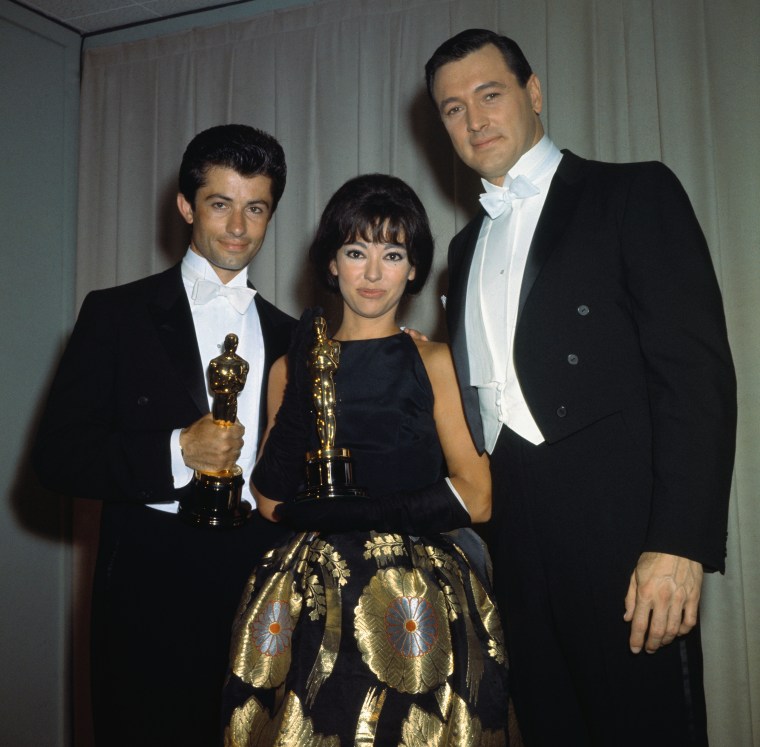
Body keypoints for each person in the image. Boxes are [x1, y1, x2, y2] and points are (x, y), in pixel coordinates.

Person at [423, 28, 737, 746]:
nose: (473, 120)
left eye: (489, 94)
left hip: (628, 543)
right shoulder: (464, 247)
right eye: (451, 109)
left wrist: (679, 543)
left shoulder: (634, 192)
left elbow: (695, 377)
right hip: (519, 549)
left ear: (534, 94)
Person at [222, 174, 509, 745]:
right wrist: (303, 376)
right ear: (332, 263)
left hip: (418, 597)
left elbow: (477, 496)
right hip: (307, 602)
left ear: (413, 267)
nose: (373, 274)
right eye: (356, 252)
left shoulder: (437, 361)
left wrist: (354, 514)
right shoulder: (290, 366)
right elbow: (271, 498)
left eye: (393, 253)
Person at [32, 124, 295, 747]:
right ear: (185, 205)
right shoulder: (115, 314)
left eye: (255, 208)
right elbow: (56, 457)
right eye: (220, 203)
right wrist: (177, 450)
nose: (238, 227)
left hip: (259, 579)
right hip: (149, 582)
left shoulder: (293, 335)